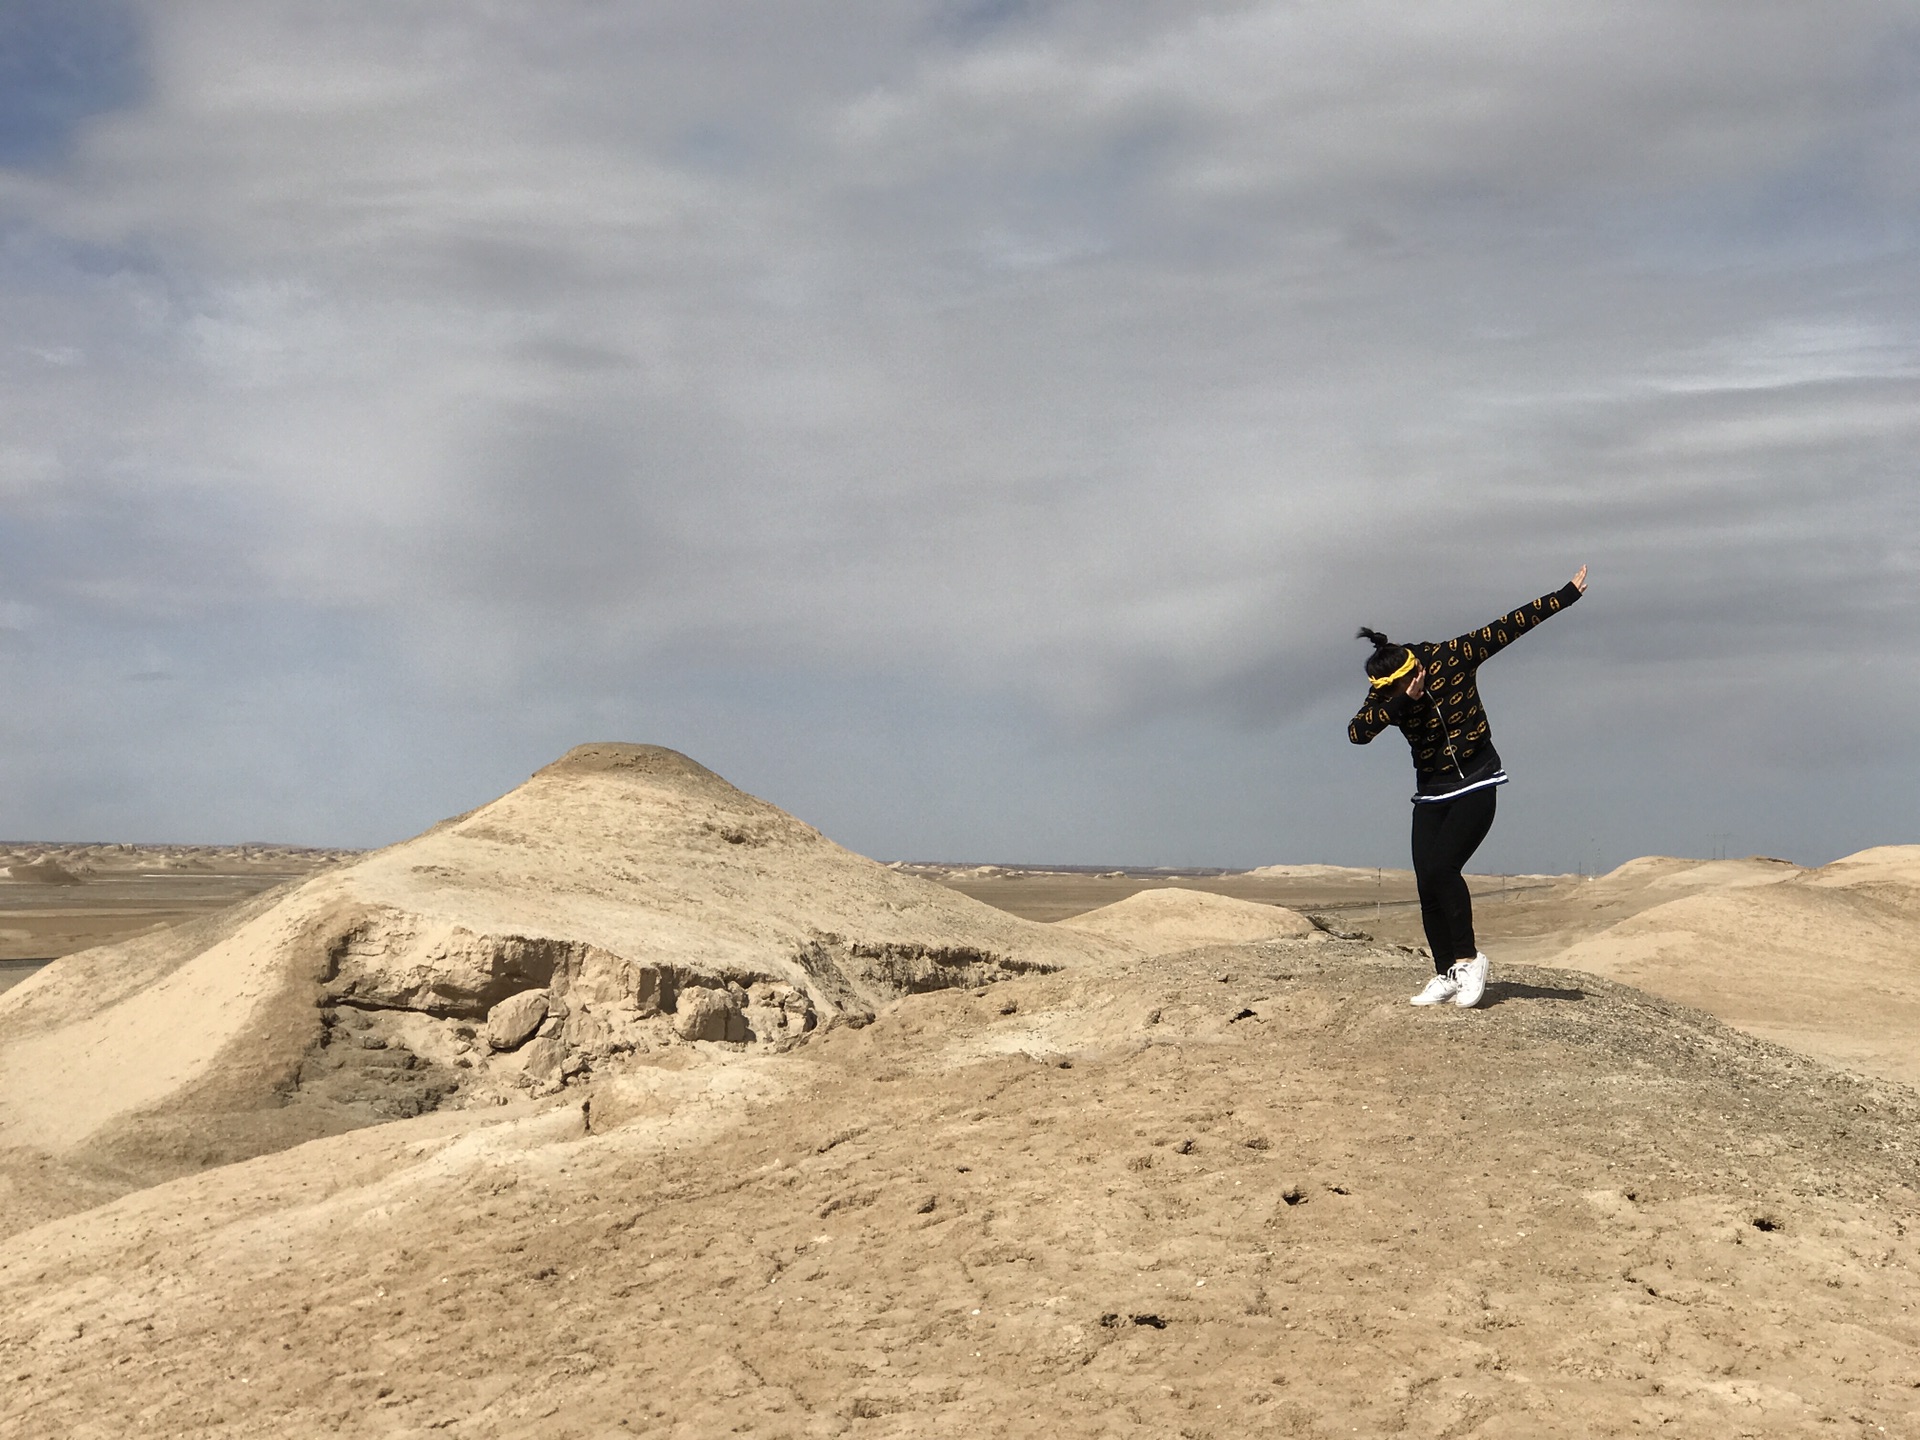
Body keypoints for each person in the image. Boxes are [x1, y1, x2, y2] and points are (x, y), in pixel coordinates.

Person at [1348, 566, 1588, 1008]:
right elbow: (1357, 733)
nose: (1400, 691)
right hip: (1431, 791)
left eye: (1405, 683)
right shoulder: (1388, 694)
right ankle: (1447, 973)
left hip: (1478, 780)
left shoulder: (1450, 656)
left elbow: (1507, 627)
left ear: (1414, 667)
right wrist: (1402, 703)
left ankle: (1470, 958)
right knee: (1426, 883)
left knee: (1442, 867)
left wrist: (1565, 595)